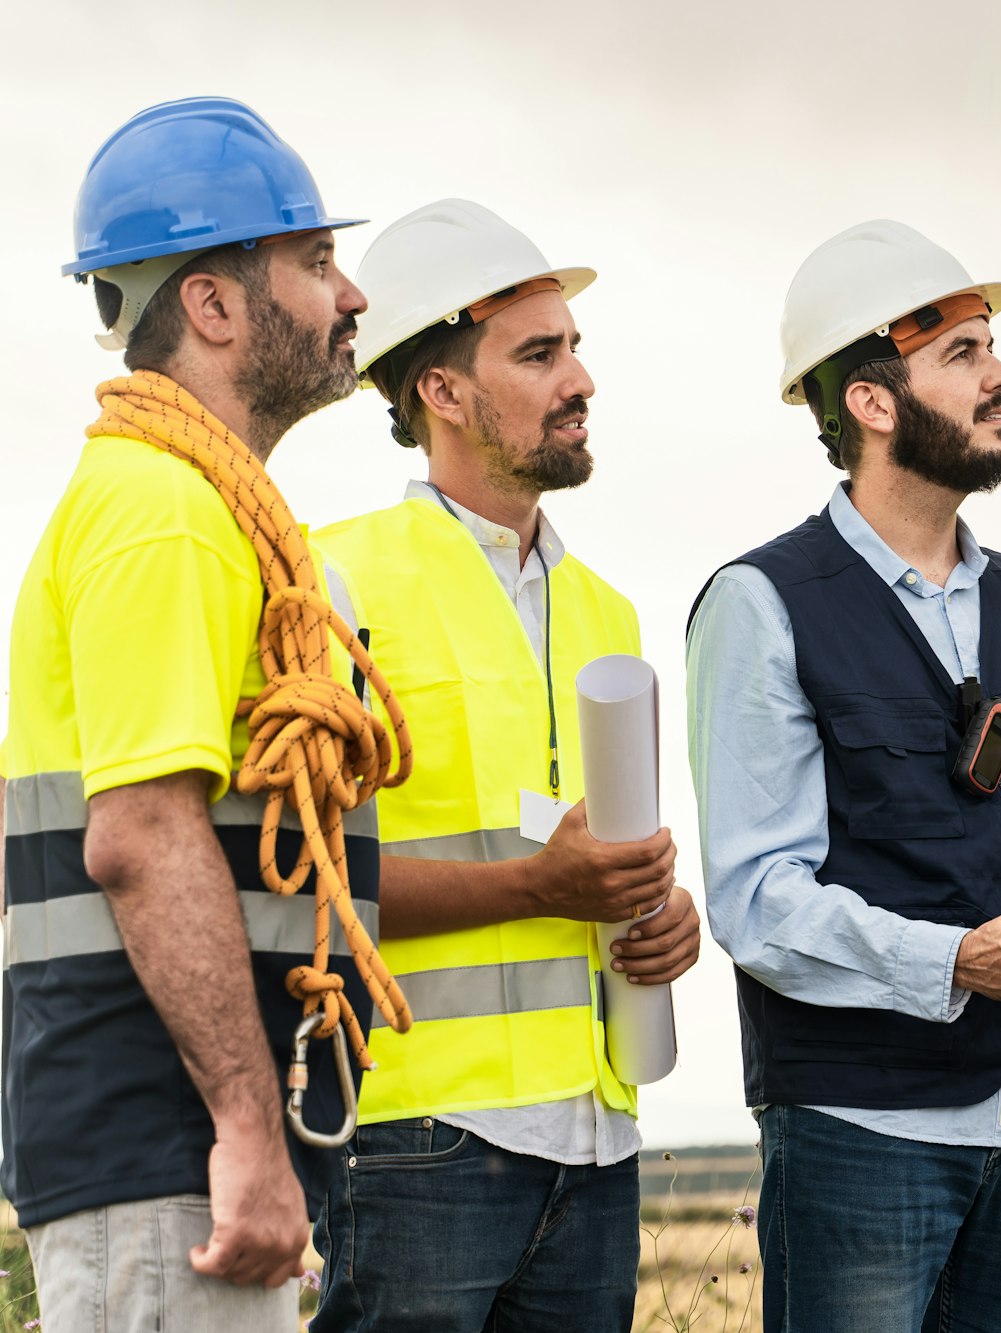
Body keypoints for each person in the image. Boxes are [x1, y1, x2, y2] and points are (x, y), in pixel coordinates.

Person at [1, 96, 400, 1330]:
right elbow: (141, 836)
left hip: (177, 1148)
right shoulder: (162, 511)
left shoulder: (203, 512)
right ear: (216, 305)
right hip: (166, 1145)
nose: (352, 297)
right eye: (317, 260)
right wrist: (244, 1131)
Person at [687, 219, 1001, 1332]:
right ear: (874, 402)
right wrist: (957, 962)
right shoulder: (761, 601)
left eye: (992, 347)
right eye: (964, 352)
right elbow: (755, 897)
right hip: (859, 1125)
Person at [307, 199, 696, 1330]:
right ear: (441, 391)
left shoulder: (606, 609)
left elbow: (587, 852)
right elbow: (301, 881)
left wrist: (662, 914)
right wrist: (539, 889)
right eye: (539, 354)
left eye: (573, 347)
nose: (579, 379)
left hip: (597, 1140)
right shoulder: (336, 585)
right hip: (420, 1141)